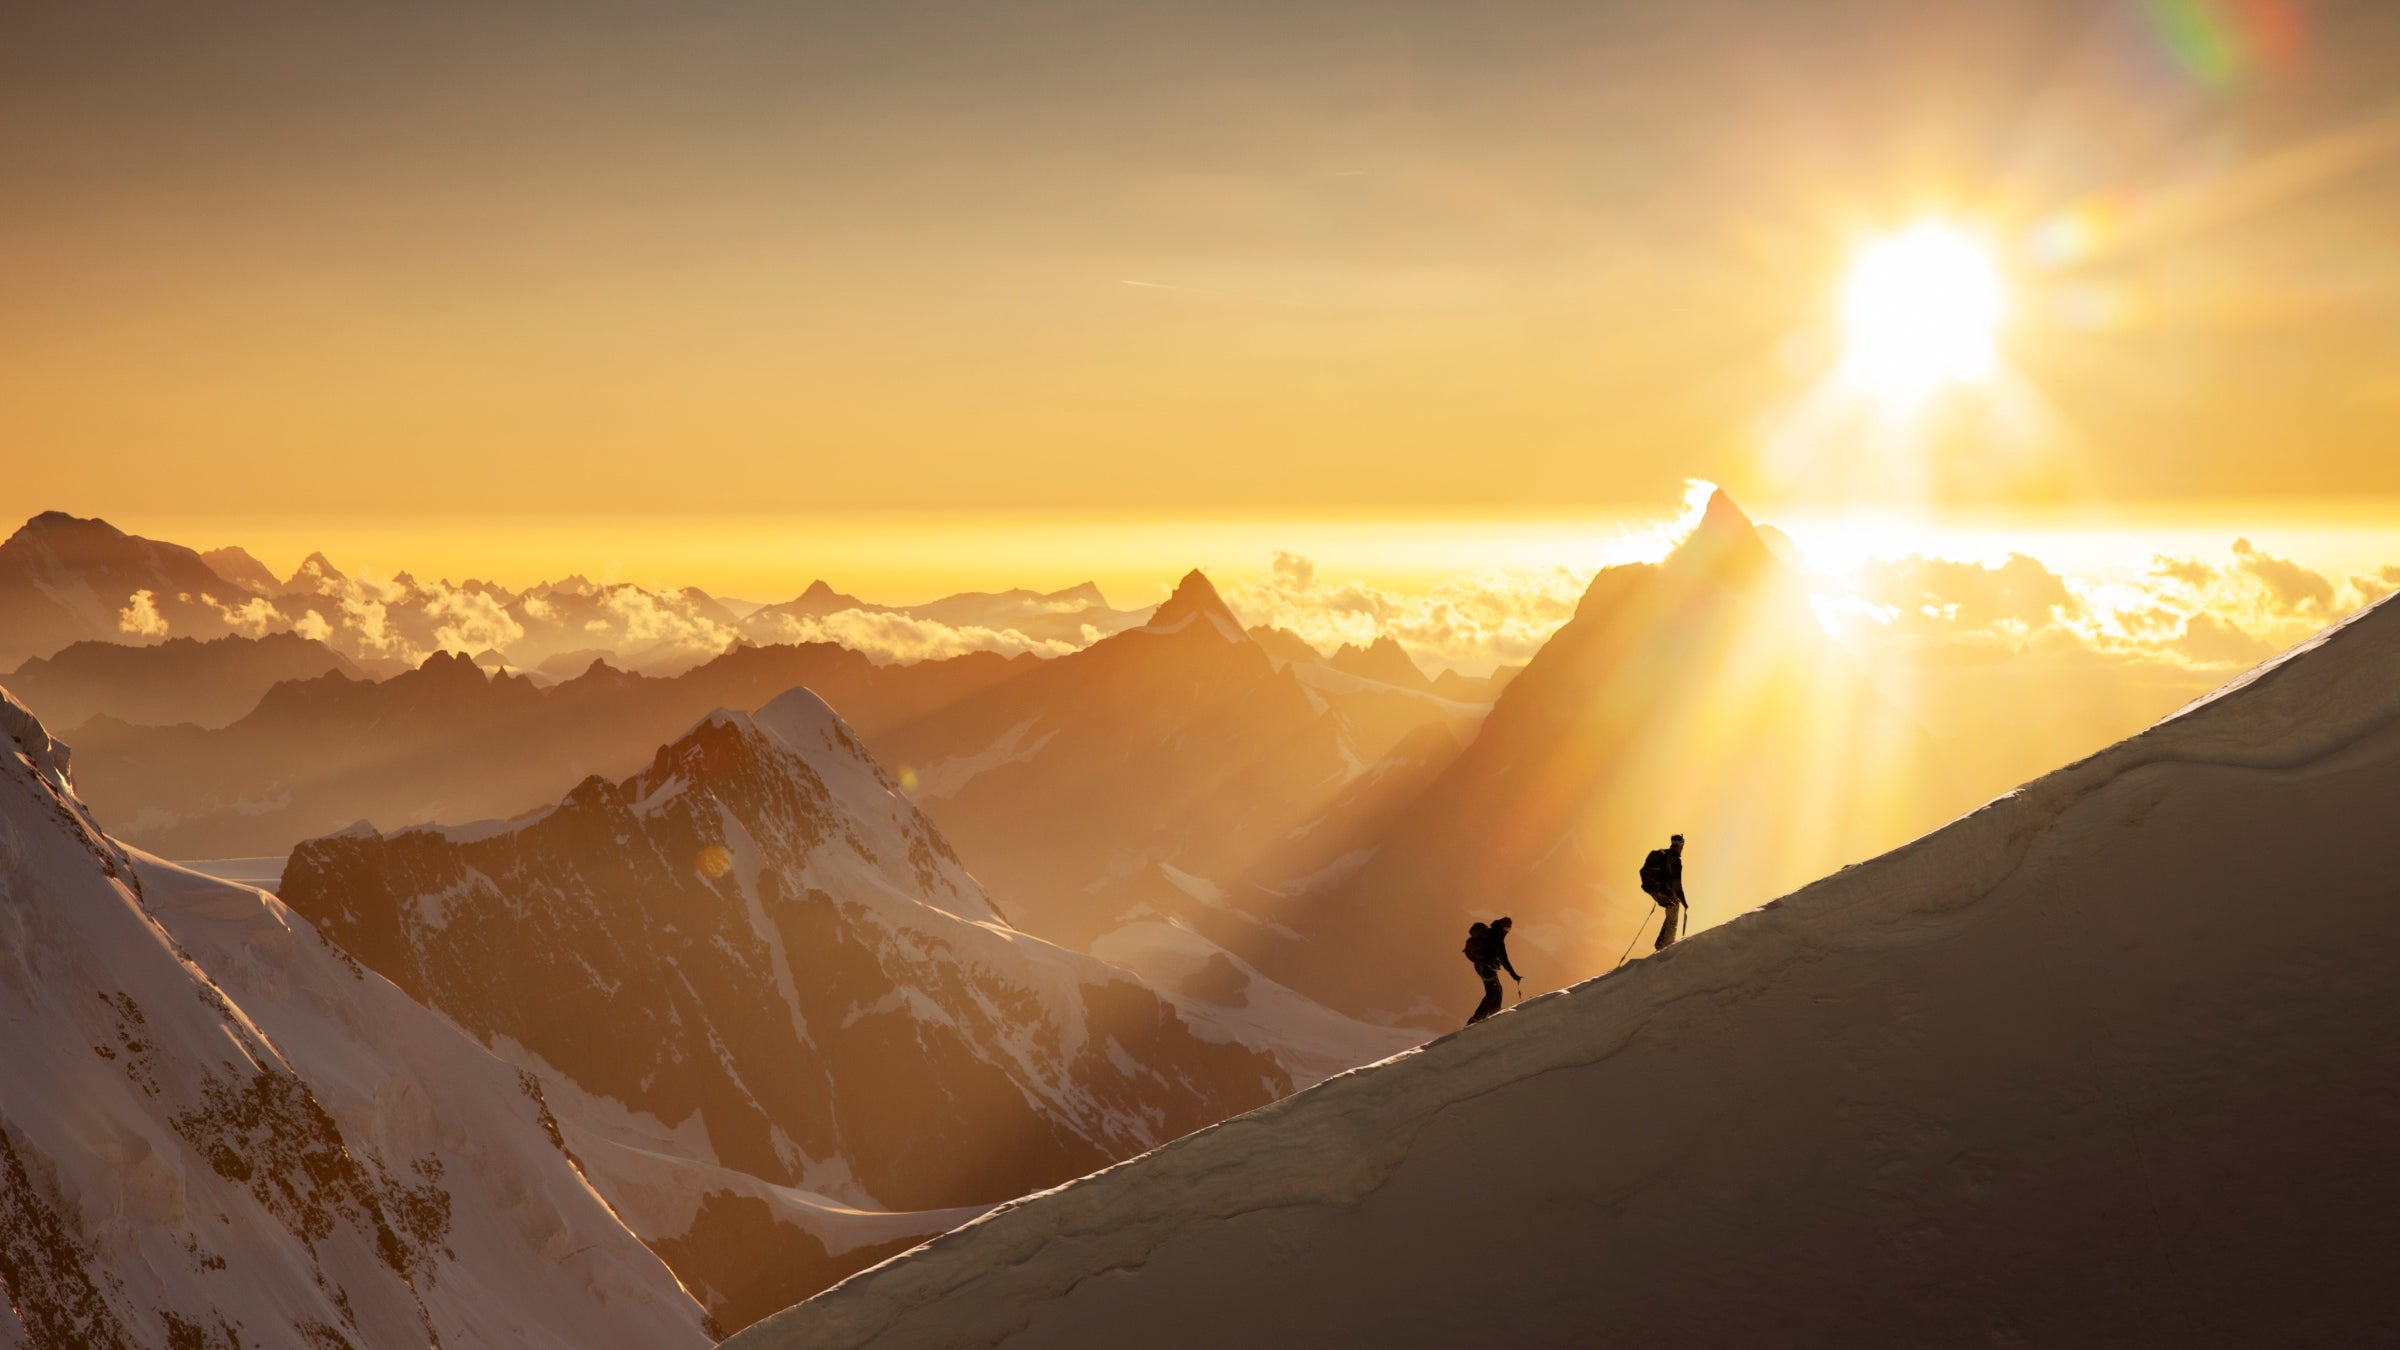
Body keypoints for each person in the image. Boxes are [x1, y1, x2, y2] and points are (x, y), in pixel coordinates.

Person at [1463, 916, 1521, 1025]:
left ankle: (1491, 1015)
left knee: (1496, 991)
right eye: (1508, 929)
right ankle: (1477, 1019)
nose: (1508, 932)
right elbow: (1504, 959)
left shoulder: (1491, 932)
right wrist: (1514, 975)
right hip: (1486, 968)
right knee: (1493, 993)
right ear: (1503, 927)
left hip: (1481, 967)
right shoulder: (1497, 938)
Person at [1639, 834, 1688, 950]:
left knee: (1671, 914)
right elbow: (1677, 885)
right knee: (1673, 918)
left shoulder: (1662, 855)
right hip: (1665, 893)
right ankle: (1666, 948)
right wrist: (1684, 902)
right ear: (1681, 845)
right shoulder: (1675, 861)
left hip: (1654, 890)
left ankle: (1661, 941)